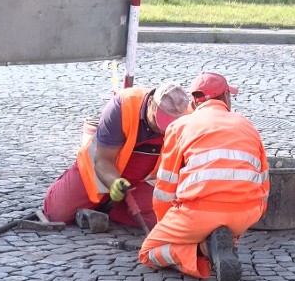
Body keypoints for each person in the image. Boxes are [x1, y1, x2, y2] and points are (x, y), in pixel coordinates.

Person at [139, 72, 269, 281]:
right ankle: (221, 242)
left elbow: (165, 187)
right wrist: (252, 214)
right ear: (226, 97)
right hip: (245, 214)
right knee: (223, 220)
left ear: (193, 102)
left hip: (199, 215)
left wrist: (169, 227)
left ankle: (202, 250)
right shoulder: (248, 125)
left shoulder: (179, 127)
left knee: (148, 252)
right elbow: (264, 181)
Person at [42, 82, 190, 230]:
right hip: (101, 170)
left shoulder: (188, 117)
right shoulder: (124, 105)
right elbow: (103, 160)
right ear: (151, 103)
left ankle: (113, 209)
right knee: (57, 213)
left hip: (143, 180)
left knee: (162, 218)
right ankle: (103, 200)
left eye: (171, 124)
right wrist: (115, 183)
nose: (162, 129)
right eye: (160, 120)